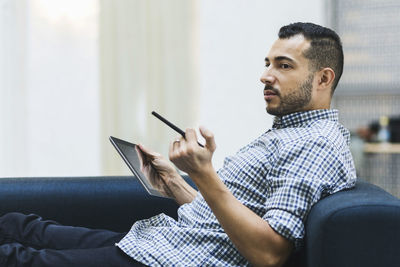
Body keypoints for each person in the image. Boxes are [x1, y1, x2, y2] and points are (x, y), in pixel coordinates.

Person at [0, 22, 356, 267]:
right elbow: (229, 222)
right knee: (19, 225)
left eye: (283, 65)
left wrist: (204, 175)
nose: (265, 75)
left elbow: (269, 254)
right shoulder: (290, 132)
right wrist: (177, 184)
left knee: (15, 257)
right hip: (164, 243)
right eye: (267, 63)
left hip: (177, 258)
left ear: (323, 78)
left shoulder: (316, 144)